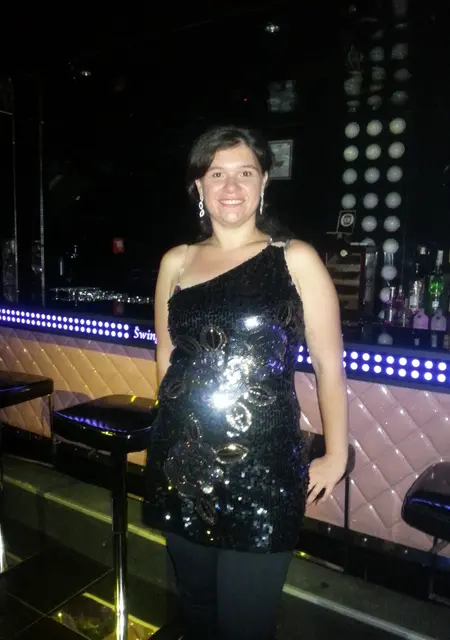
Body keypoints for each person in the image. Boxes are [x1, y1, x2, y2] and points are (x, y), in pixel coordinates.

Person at [143, 124, 348, 640]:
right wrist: (167, 433)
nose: (230, 186)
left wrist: (336, 453)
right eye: (216, 174)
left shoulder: (294, 258)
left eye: (245, 173)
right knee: (197, 607)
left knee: (245, 625)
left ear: (263, 183)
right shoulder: (176, 261)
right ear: (198, 185)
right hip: (183, 463)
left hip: (265, 468)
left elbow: (329, 363)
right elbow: (167, 357)